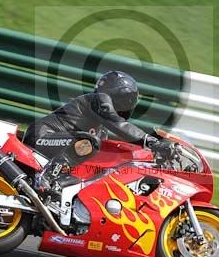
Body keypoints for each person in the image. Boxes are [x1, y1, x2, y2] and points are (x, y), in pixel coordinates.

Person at [22, 70, 171, 203]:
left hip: (55, 145)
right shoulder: (98, 99)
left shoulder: (100, 130)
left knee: (81, 178)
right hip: (42, 137)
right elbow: (117, 123)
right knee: (89, 142)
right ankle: (45, 179)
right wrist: (150, 141)